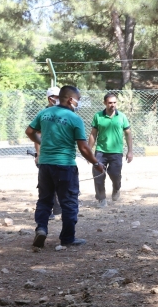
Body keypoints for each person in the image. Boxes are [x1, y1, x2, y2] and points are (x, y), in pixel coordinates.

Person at [25, 85, 105, 248]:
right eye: (78, 100)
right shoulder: (74, 119)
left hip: (45, 165)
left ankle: (41, 228)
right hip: (65, 166)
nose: (79, 103)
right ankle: (68, 238)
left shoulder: (44, 113)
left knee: (44, 200)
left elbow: (29, 131)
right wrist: (97, 163)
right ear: (70, 99)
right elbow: (83, 147)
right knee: (69, 202)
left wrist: (43, 142)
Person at [88, 93, 133, 207]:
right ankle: (101, 199)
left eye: (114, 102)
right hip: (101, 151)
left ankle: (116, 188)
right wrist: (88, 151)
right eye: (110, 103)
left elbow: (128, 134)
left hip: (116, 152)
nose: (112, 105)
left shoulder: (122, 116)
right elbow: (93, 134)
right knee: (98, 174)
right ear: (105, 103)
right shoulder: (98, 116)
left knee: (115, 174)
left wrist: (130, 151)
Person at [33, 86, 62, 220]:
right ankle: (49, 210)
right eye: (56, 97)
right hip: (46, 155)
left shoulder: (64, 112)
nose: (59, 99)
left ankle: (58, 208)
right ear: (50, 98)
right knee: (46, 184)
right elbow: (35, 134)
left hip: (61, 154)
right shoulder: (43, 114)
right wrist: (38, 153)